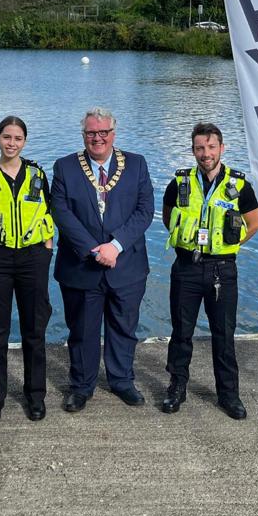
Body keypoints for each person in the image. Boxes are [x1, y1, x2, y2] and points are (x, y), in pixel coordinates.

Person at [50, 107, 154, 412]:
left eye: (103, 132)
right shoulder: (65, 167)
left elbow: (145, 210)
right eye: (91, 133)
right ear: (83, 135)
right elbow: (61, 212)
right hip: (81, 265)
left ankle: (122, 380)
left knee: (124, 326)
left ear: (113, 134)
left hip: (126, 264)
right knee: (82, 329)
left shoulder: (136, 164)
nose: (97, 138)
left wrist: (116, 246)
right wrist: (95, 249)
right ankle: (81, 385)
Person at [160, 122, 258, 420]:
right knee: (181, 333)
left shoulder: (240, 185)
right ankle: (177, 388)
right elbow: (168, 218)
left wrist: (226, 245)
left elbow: (253, 224)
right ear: (193, 150)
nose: (206, 154)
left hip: (222, 270)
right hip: (186, 267)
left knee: (224, 334)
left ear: (222, 148)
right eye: (200, 148)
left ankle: (229, 394)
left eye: (211, 147)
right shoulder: (179, 183)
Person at [0, 116, 54, 423]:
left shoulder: (38, 174)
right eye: (6, 137)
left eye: (17, 138)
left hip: (32, 259)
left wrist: (46, 251)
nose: (11, 143)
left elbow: (47, 214)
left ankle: (35, 396)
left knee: (34, 330)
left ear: (24, 141)